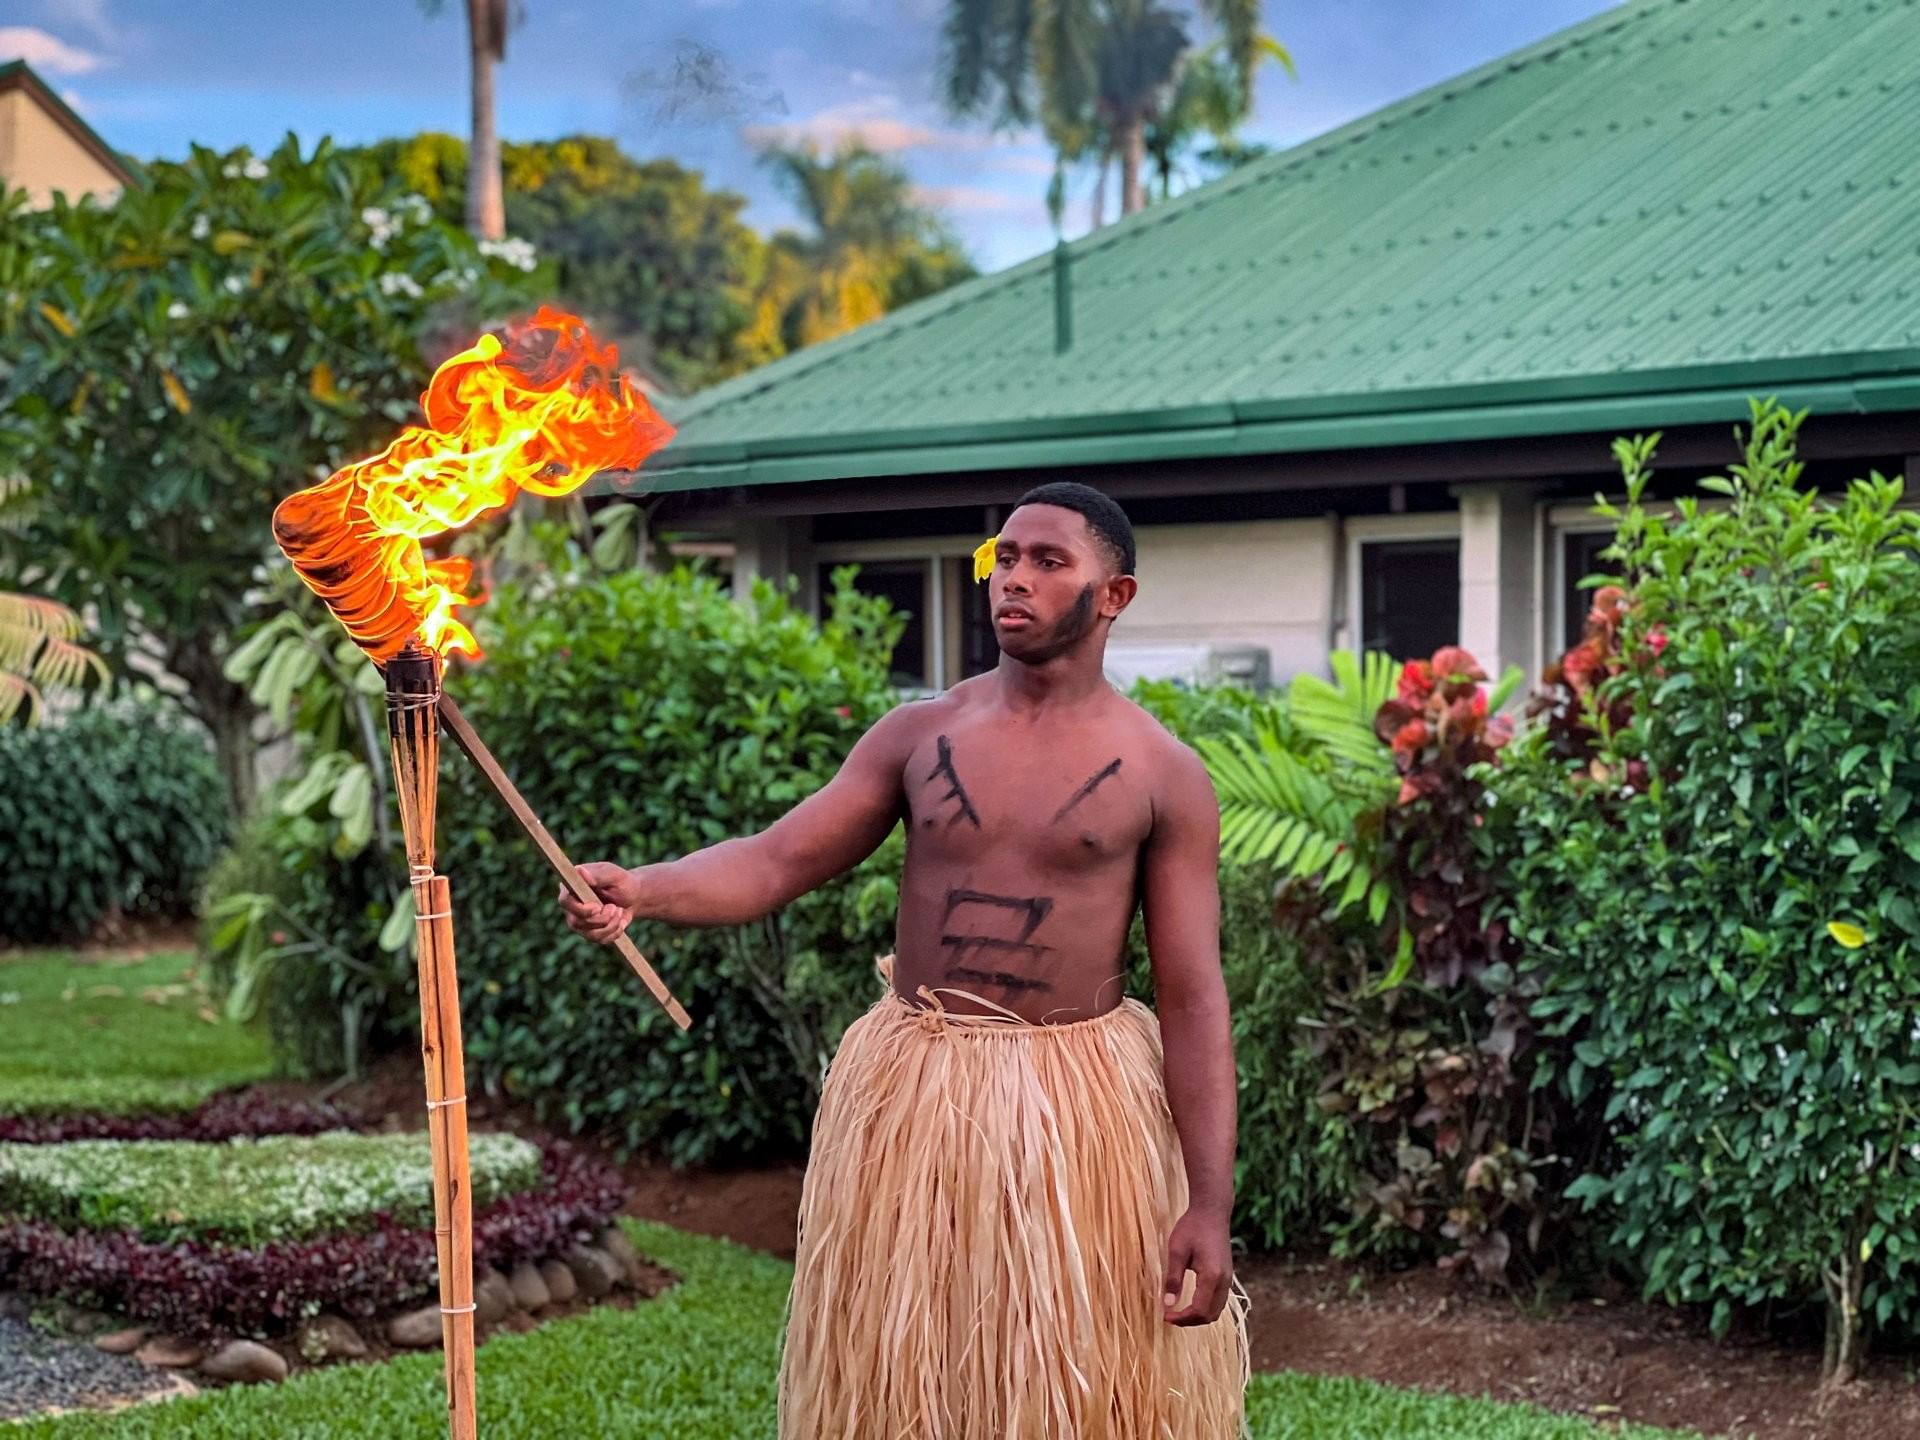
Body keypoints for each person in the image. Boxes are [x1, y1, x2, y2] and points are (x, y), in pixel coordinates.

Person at [560, 481, 1248, 1437]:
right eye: (1005, 558)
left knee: (1069, 1392)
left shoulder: (1162, 774)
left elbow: (1193, 998)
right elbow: (776, 859)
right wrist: (645, 888)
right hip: (916, 1094)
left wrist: (1207, 1206)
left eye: (1049, 563)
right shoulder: (921, 735)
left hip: (1078, 1115)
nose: (1015, 579)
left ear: (1115, 596)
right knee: (907, 1389)